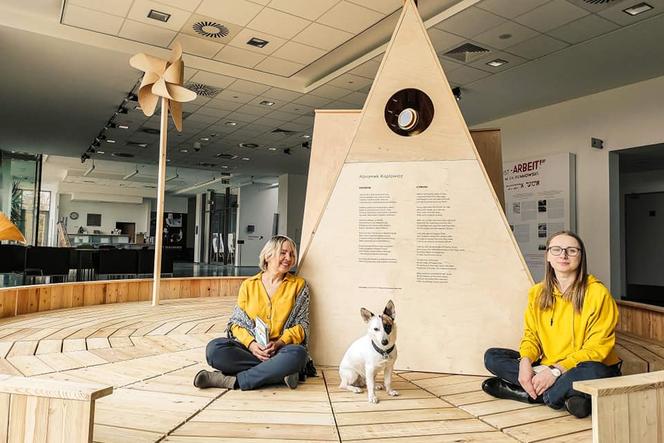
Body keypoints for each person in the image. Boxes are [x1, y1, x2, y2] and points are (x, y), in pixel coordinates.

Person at [482, 231, 621, 418]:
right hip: (547, 365)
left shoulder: (598, 293)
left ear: (581, 256)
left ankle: (531, 395)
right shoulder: (537, 293)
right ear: (547, 255)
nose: (563, 255)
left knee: (596, 370)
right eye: (556, 249)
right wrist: (525, 363)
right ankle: (567, 395)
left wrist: (556, 371)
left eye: (571, 250)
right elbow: (531, 335)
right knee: (492, 356)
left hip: (582, 367)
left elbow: (597, 348)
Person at [193, 235, 312, 391]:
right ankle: (280, 372)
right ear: (268, 255)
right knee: (215, 349)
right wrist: (251, 345)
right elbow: (236, 323)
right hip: (250, 350)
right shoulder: (248, 285)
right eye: (283, 253)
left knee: (298, 355)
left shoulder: (299, 285)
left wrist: (279, 343)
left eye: (292, 254)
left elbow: (302, 325)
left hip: (283, 349)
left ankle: (231, 381)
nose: (288, 258)